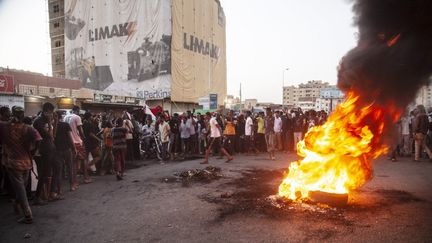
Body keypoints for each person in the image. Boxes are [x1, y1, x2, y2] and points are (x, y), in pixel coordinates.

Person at [0, 106, 41, 224]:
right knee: (21, 187)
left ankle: (27, 214)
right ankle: (20, 207)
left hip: (12, 162)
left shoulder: (4, 126)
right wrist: (33, 151)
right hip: (26, 162)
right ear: (23, 115)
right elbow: (38, 139)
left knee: (20, 188)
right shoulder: (28, 128)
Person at [33, 102, 56, 204]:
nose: (51, 114)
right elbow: (48, 135)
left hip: (48, 149)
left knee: (47, 173)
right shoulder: (38, 121)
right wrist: (50, 123)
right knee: (42, 174)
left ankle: (46, 195)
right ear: (46, 111)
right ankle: (38, 197)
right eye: (50, 112)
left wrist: (51, 123)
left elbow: (52, 136)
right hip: (41, 151)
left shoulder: (45, 120)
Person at [64, 105, 90, 187]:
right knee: (83, 160)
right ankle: (86, 178)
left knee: (73, 162)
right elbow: (81, 131)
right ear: (77, 110)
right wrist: (84, 139)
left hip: (69, 142)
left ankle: (74, 181)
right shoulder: (77, 117)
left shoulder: (65, 117)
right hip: (77, 141)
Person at [52, 110, 74, 197]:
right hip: (66, 149)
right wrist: (74, 148)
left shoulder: (51, 126)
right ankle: (71, 185)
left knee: (59, 171)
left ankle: (60, 190)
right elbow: (70, 137)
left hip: (58, 150)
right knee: (69, 168)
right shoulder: (65, 125)